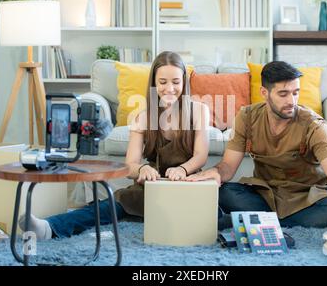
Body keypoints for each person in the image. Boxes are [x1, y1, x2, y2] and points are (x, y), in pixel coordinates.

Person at [20, 51, 210, 239]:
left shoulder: (200, 111)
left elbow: (201, 155)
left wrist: (183, 170)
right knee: (109, 205)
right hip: (154, 187)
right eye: (162, 82)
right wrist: (142, 169)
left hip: (188, 186)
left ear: (184, 82)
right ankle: (49, 227)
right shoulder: (143, 117)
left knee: (214, 213)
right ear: (154, 83)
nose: (169, 88)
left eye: (176, 82)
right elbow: (130, 165)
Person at [187, 61, 327, 231]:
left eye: (296, 93)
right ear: (264, 93)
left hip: (305, 199)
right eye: (283, 94)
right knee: (224, 192)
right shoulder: (247, 117)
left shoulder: (314, 125)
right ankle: (275, 221)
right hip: (264, 194)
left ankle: (254, 220)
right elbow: (228, 166)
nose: (291, 101)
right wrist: (216, 173)